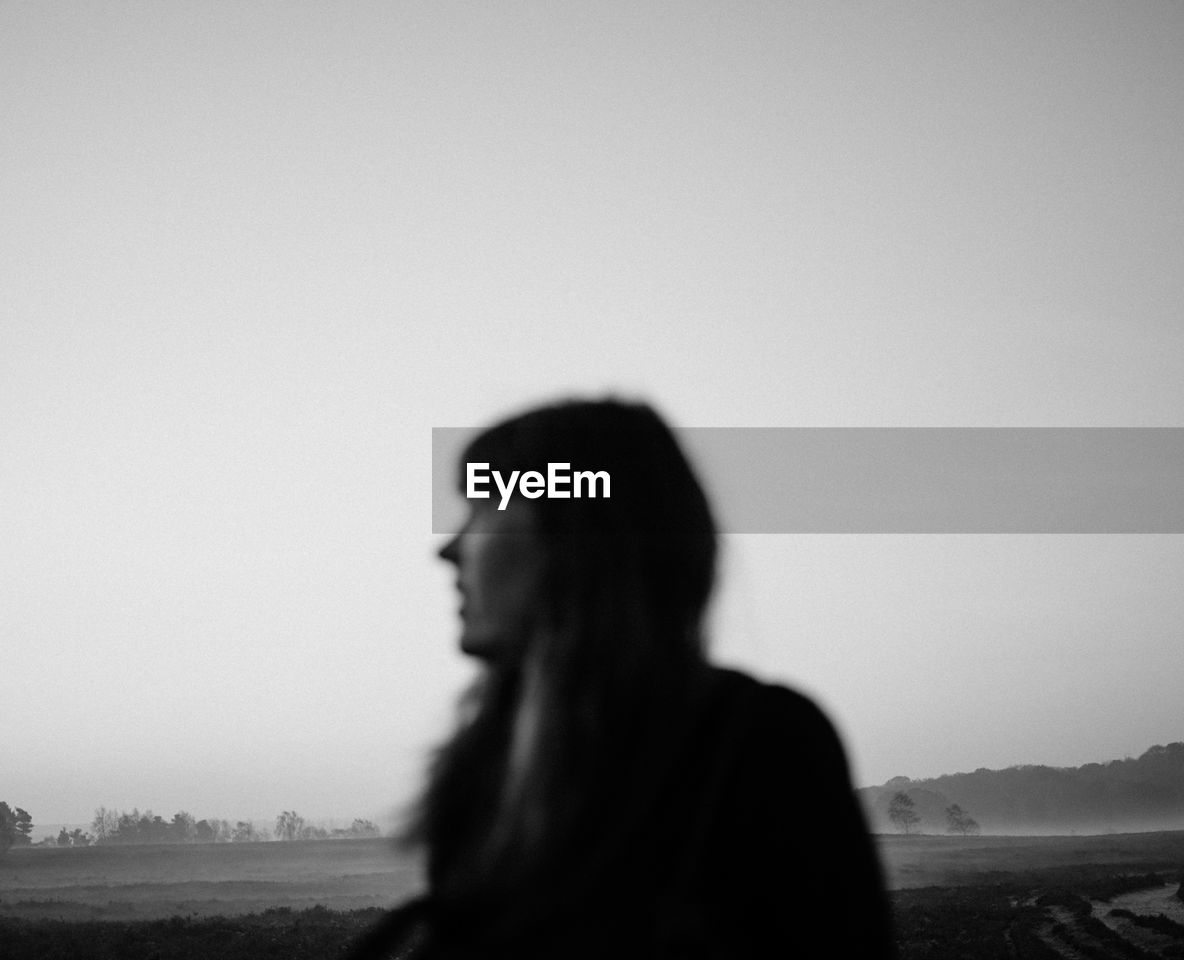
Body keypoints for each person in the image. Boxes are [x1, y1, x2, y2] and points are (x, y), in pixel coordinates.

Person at [351, 398, 895, 959]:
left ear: (574, 536)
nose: (449, 549)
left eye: (483, 507)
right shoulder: (486, 768)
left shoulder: (762, 745)